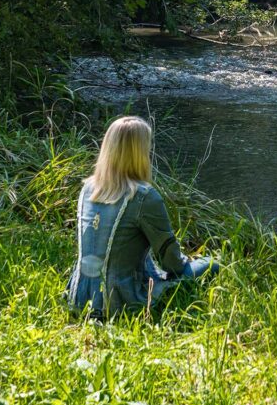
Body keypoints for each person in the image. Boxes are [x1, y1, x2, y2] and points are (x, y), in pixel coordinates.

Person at [66, 115, 218, 319]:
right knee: (213, 264)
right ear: (140, 153)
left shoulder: (87, 189)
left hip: (79, 298)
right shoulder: (144, 196)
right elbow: (172, 263)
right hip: (122, 302)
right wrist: (188, 261)